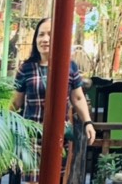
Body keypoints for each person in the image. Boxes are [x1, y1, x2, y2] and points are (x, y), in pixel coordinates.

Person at [11, 18, 96, 147]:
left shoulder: (69, 67)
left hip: (59, 139)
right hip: (30, 138)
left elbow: (78, 98)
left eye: (50, 35)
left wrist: (88, 123)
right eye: (41, 35)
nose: (45, 39)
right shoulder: (26, 68)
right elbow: (15, 102)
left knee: (58, 167)